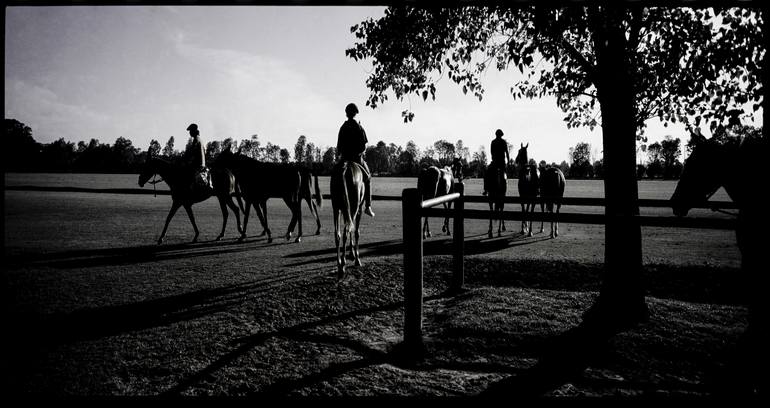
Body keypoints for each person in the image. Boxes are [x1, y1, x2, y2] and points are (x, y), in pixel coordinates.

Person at [336, 103, 374, 217]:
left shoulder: (343, 127)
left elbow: (339, 147)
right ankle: (368, 206)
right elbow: (363, 147)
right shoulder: (359, 127)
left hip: (344, 159)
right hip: (357, 159)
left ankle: (336, 201)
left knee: (335, 175)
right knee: (368, 178)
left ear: (346, 114)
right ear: (355, 113)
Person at [184, 123, 211, 190]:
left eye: (190, 131)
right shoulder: (199, 139)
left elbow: (192, 153)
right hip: (201, 164)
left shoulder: (196, 139)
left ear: (193, 131)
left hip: (197, 165)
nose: (189, 133)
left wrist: (186, 160)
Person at [483, 129, 511, 195]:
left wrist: (494, 158)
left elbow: (491, 152)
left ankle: (486, 189)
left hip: (496, 162)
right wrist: (508, 161)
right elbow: (506, 152)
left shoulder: (493, 142)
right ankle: (503, 190)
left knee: (487, 174)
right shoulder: (503, 142)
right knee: (503, 176)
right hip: (501, 163)